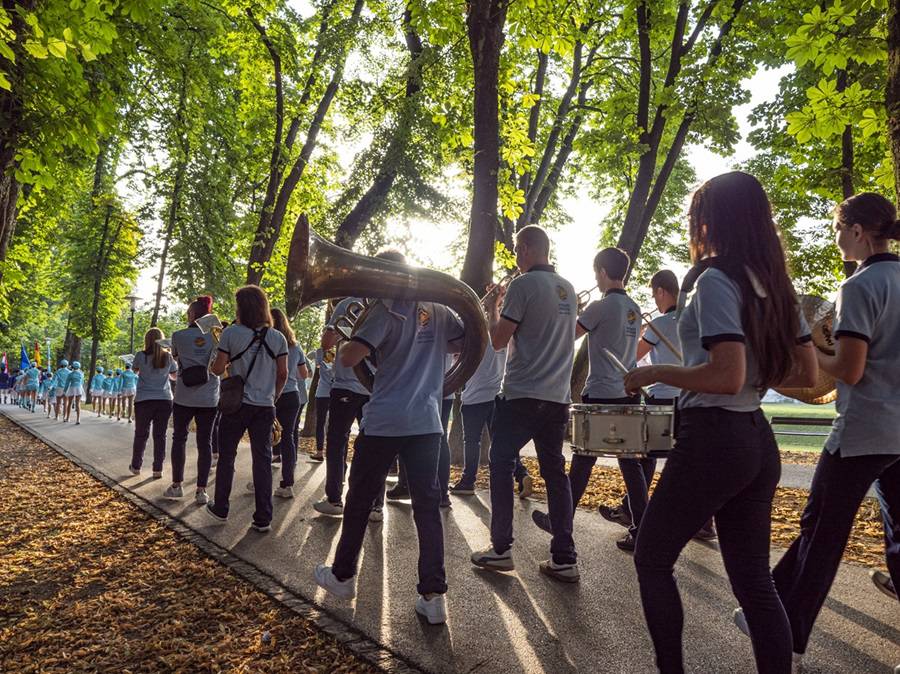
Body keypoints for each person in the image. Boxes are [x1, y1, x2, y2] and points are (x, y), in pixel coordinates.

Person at [623, 171, 817, 674]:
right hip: (757, 438)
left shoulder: (713, 280)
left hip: (713, 440)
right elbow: (809, 374)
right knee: (754, 581)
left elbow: (725, 375)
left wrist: (655, 371)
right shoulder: (776, 285)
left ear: (710, 220)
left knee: (651, 557)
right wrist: (757, 373)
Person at [749, 192, 900, 666]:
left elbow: (849, 369)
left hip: (865, 430)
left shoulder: (859, 286)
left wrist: (810, 352)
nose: (836, 239)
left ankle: (786, 632)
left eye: (839, 229)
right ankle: (774, 612)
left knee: (821, 530)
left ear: (857, 231)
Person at [314, 277, 465, 626]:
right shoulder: (439, 309)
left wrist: (347, 334)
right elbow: (463, 345)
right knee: (427, 509)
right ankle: (433, 596)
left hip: (385, 421)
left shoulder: (383, 309)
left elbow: (350, 356)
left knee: (359, 500)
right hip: (427, 422)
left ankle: (342, 575)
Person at [470, 225, 580, 583]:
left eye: (518, 249)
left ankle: (500, 549)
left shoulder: (523, 285)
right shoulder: (568, 288)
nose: (516, 257)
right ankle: (564, 556)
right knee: (555, 473)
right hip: (557, 398)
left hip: (522, 394)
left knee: (501, 462)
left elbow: (499, 341)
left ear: (530, 249)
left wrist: (491, 310)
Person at [532, 248, 646, 551]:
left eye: (596, 272)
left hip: (600, 393)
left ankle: (560, 520)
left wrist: (574, 309)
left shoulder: (600, 306)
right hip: (626, 394)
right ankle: (642, 527)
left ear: (602, 272)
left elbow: (567, 334)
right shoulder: (634, 308)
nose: (595, 277)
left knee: (582, 462)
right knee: (630, 464)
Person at [205, 285, 288, 532]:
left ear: (241, 307)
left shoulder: (231, 333)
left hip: (235, 405)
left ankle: (221, 508)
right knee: (262, 461)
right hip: (264, 406)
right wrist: (273, 397)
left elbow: (218, 369)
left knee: (227, 456)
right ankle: (263, 517)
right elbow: (283, 374)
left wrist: (219, 362)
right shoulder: (278, 337)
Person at [313, 296, 373, 517]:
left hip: (346, 385)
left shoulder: (348, 304)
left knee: (337, 442)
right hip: (375, 386)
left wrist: (343, 329)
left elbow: (326, 343)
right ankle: (375, 505)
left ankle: (335, 499)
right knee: (373, 444)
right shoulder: (389, 304)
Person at [165, 296, 221, 505]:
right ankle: (201, 490)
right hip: (209, 396)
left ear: (193, 315)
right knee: (205, 443)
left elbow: (177, 358)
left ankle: (177, 485)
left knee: (179, 439)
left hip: (184, 396)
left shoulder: (178, 335)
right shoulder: (217, 336)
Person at [271, 307, 309, 498]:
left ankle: (259, 481)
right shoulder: (296, 346)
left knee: (265, 438)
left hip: (273, 395)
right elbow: (304, 374)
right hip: (292, 396)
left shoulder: (270, 343)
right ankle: (287, 484)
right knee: (287, 439)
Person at [129, 329, 177, 479]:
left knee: (141, 434)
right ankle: (158, 469)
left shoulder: (140, 356)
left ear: (147, 340)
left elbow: (135, 371)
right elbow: (174, 376)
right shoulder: (168, 357)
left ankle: (136, 466)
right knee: (160, 435)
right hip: (164, 399)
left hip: (144, 399)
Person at [308, 345, 334, 462]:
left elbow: (317, 363)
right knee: (328, 424)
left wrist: (321, 350)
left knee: (322, 423)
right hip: (332, 393)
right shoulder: (339, 353)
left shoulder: (323, 354)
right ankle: (326, 452)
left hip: (324, 394)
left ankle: (320, 452)